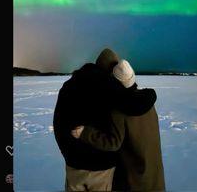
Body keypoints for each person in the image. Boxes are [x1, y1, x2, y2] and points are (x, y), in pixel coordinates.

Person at [53, 48, 156, 191]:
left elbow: (58, 122)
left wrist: (67, 152)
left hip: (73, 164)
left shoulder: (69, 86)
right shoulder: (107, 87)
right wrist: (150, 95)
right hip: (101, 166)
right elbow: (133, 105)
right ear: (111, 69)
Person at [72, 59, 166, 191]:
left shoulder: (120, 109)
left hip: (134, 175)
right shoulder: (148, 102)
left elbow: (113, 143)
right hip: (153, 169)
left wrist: (85, 133)